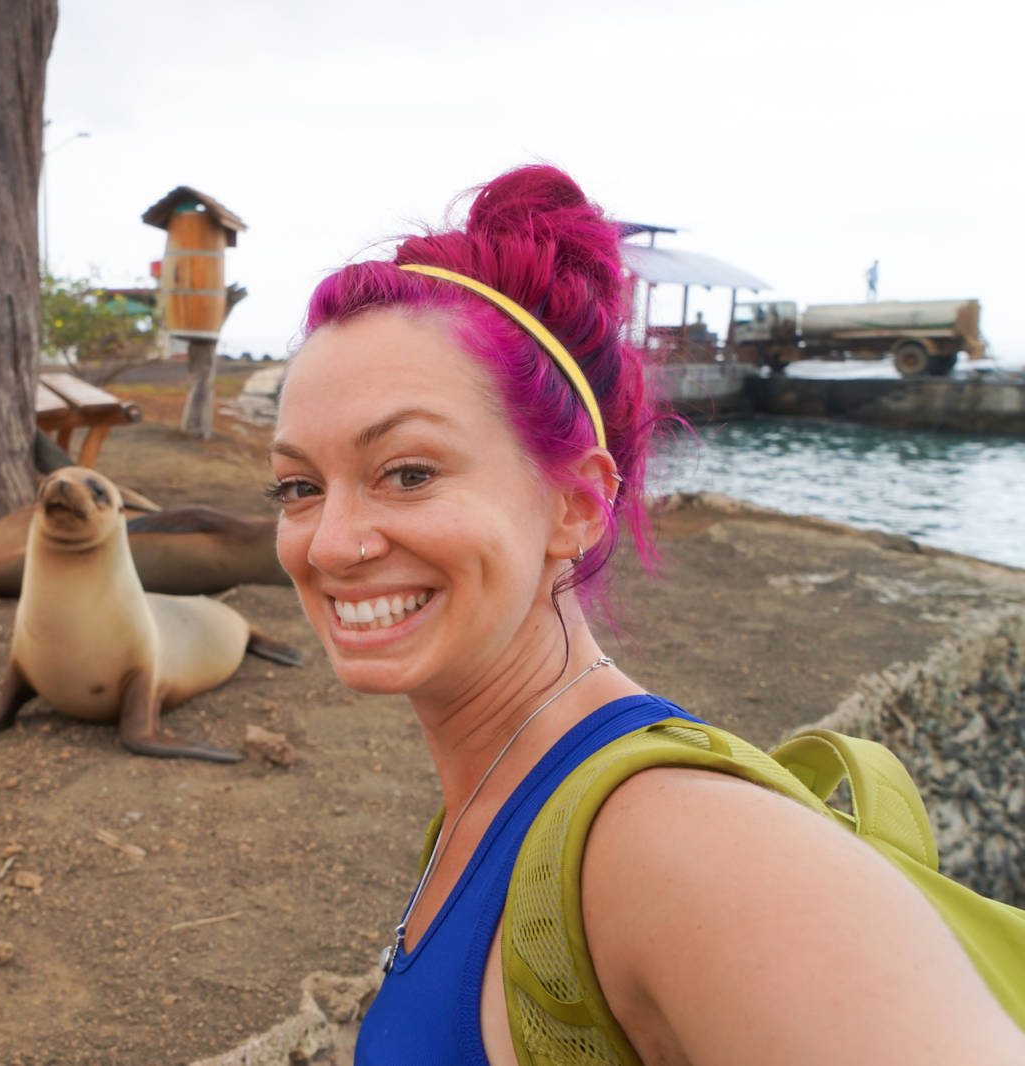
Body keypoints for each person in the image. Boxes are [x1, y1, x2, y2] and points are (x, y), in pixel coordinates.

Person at [266, 165, 1025, 1065]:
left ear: (578, 506)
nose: (330, 544)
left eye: (410, 472)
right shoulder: (501, 797)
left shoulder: (681, 850)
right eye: (300, 487)